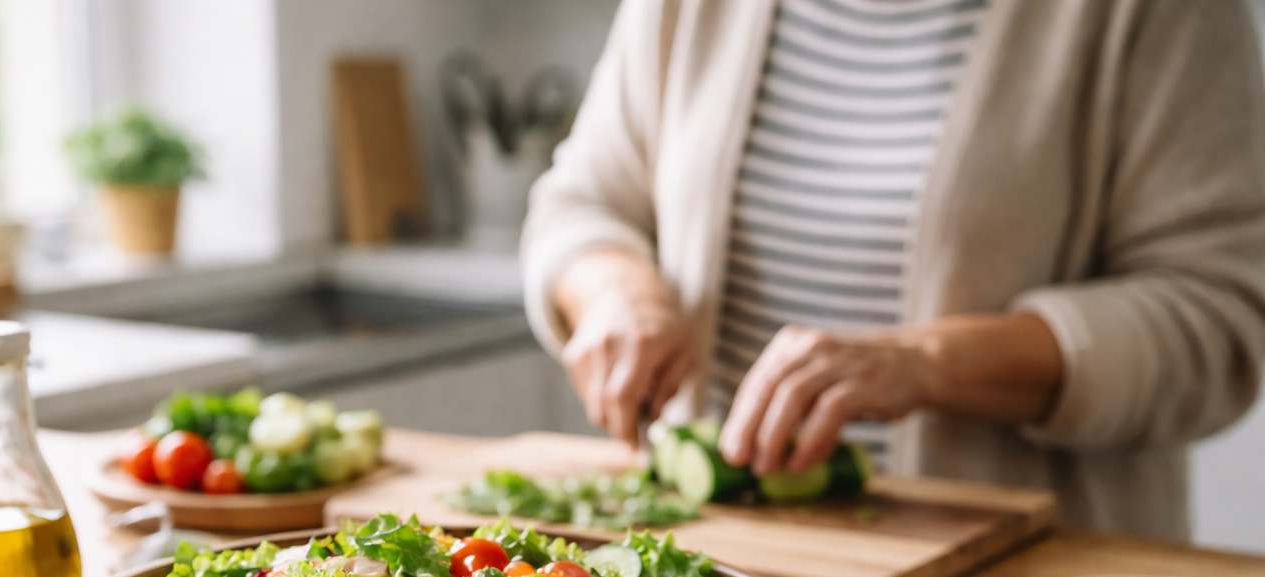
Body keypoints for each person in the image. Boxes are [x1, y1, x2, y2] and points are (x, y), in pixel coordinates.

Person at [521, 0, 1265, 538]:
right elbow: (583, 202)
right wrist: (615, 289)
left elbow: (1220, 316)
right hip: (712, 570)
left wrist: (927, 362)